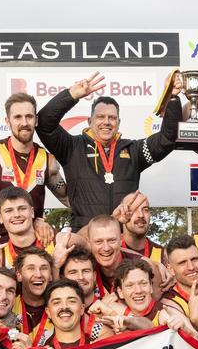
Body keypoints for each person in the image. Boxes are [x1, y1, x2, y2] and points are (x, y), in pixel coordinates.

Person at [36, 71, 183, 230]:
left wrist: (173, 98)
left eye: (112, 118)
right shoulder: (71, 148)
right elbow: (44, 124)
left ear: (118, 122)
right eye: (100, 117)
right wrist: (71, 95)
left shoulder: (134, 151)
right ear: (90, 121)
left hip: (122, 240)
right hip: (86, 239)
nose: (106, 122)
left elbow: (167, 140)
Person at [0, 92, 65, 241]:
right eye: (18, 117)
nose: (24, 122)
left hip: (33, 246)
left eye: (29, 116)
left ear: (36, 120)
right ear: (7, 122)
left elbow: (68, 198)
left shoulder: (47, 160)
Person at [118, 191, 164, 264]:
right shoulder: (111, 250)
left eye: (145, 210)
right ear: (122, 214)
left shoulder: (161, 253)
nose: (141, 215)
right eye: (134, 210)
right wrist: (113, 219)